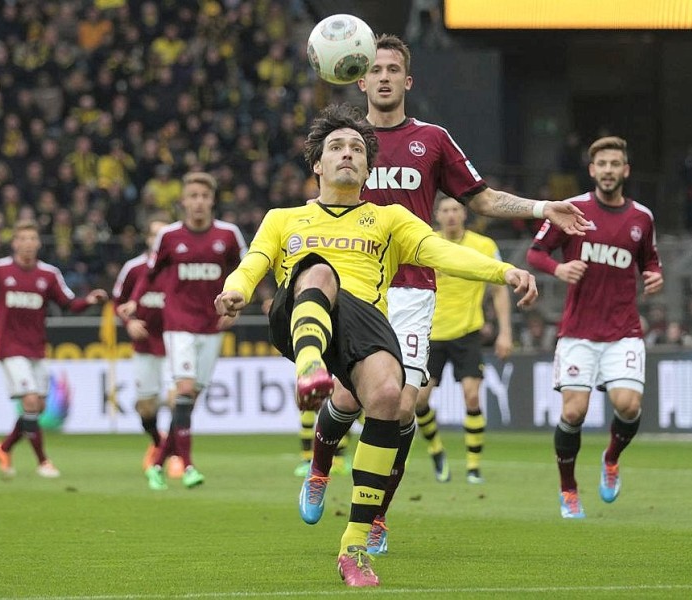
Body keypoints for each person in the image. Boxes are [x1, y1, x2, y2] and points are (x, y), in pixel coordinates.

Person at [215, 103, 538, 587]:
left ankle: (354, 548)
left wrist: (504, 270)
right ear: (317, 165)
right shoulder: (284, 218)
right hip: (300, 311)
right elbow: (255, 260)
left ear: (369, 168)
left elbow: (443, 253)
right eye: (335, 147)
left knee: (390, 399)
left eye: (357, 149)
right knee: (320, 270)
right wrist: (236, 289)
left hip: (363, 325)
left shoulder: (389, 220)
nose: (347, 154)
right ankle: (309, 369)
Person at [301, 33, 588, 556]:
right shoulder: (345, 140)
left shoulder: (431, 139)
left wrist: (543, 208)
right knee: (345, 396)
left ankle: (375, 516)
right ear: (359, 78)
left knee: (402, 409)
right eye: (376, 70)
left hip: (413, 288)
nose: (384, 77)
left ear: (407, 81)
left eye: (394, 70)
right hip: (356, 285)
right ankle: (319, 471)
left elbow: (483, 198)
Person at [526, 136, 663, 519]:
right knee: (574, 413)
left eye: (615, 163)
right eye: (601, 164)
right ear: (592, 170)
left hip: (623, 330)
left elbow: (650, 260)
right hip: (578, 332)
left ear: (625, 170)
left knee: (628, 405)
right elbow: (535, 253)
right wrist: (559, 268)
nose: (608, 170)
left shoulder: (642, 218)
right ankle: (568, 490)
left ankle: (611, 458)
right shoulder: (574, 211)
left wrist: (654, 275)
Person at [0, 220, 108, 478]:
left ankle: (4, 447)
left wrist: (88, 300)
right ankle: (43, 461)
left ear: (38, 243)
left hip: (36, 348)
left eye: (33, 239)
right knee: (30, 401)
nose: (29, 244)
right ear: (15, 243)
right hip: (9, 348)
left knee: (38, 407)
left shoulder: (49, 274)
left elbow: (67, 304)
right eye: (23, 239)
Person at [117, 172, 247, 491]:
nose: (199, 202)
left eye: (204, 195)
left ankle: (158, 462)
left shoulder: (228, 235)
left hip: (212, 326)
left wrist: (237, 308)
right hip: (178, 325)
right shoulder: (170, 237)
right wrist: (134, 303)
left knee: (189, 401)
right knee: (184, 391)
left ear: (212, 199)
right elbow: (150, 274)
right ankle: (186, 466)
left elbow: (245, 272)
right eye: (193, 196)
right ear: (184, 201)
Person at [414, 195, 513, 488]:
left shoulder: (483, 246)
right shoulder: (426, 242)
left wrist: (505, 331)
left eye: (456, 209)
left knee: (472, 396)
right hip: (430, 333)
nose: (451, 215)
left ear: (465, 214)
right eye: (445, 210)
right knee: (418, 400)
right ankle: (436, 451)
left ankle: (473, 467)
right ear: (437, 215)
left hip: (468, 332)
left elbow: (499, 290)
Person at [111, 213, 183, 478]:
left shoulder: (178, 266)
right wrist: (128, 323)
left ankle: (176, 456)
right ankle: (158, 443)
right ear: (148, 238)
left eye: (164, 234)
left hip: (175, 343)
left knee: (179, 401)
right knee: (146, 408)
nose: (159, 239)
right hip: (144, 347)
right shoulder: (133, 268)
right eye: (155, 234)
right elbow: (117, 301)